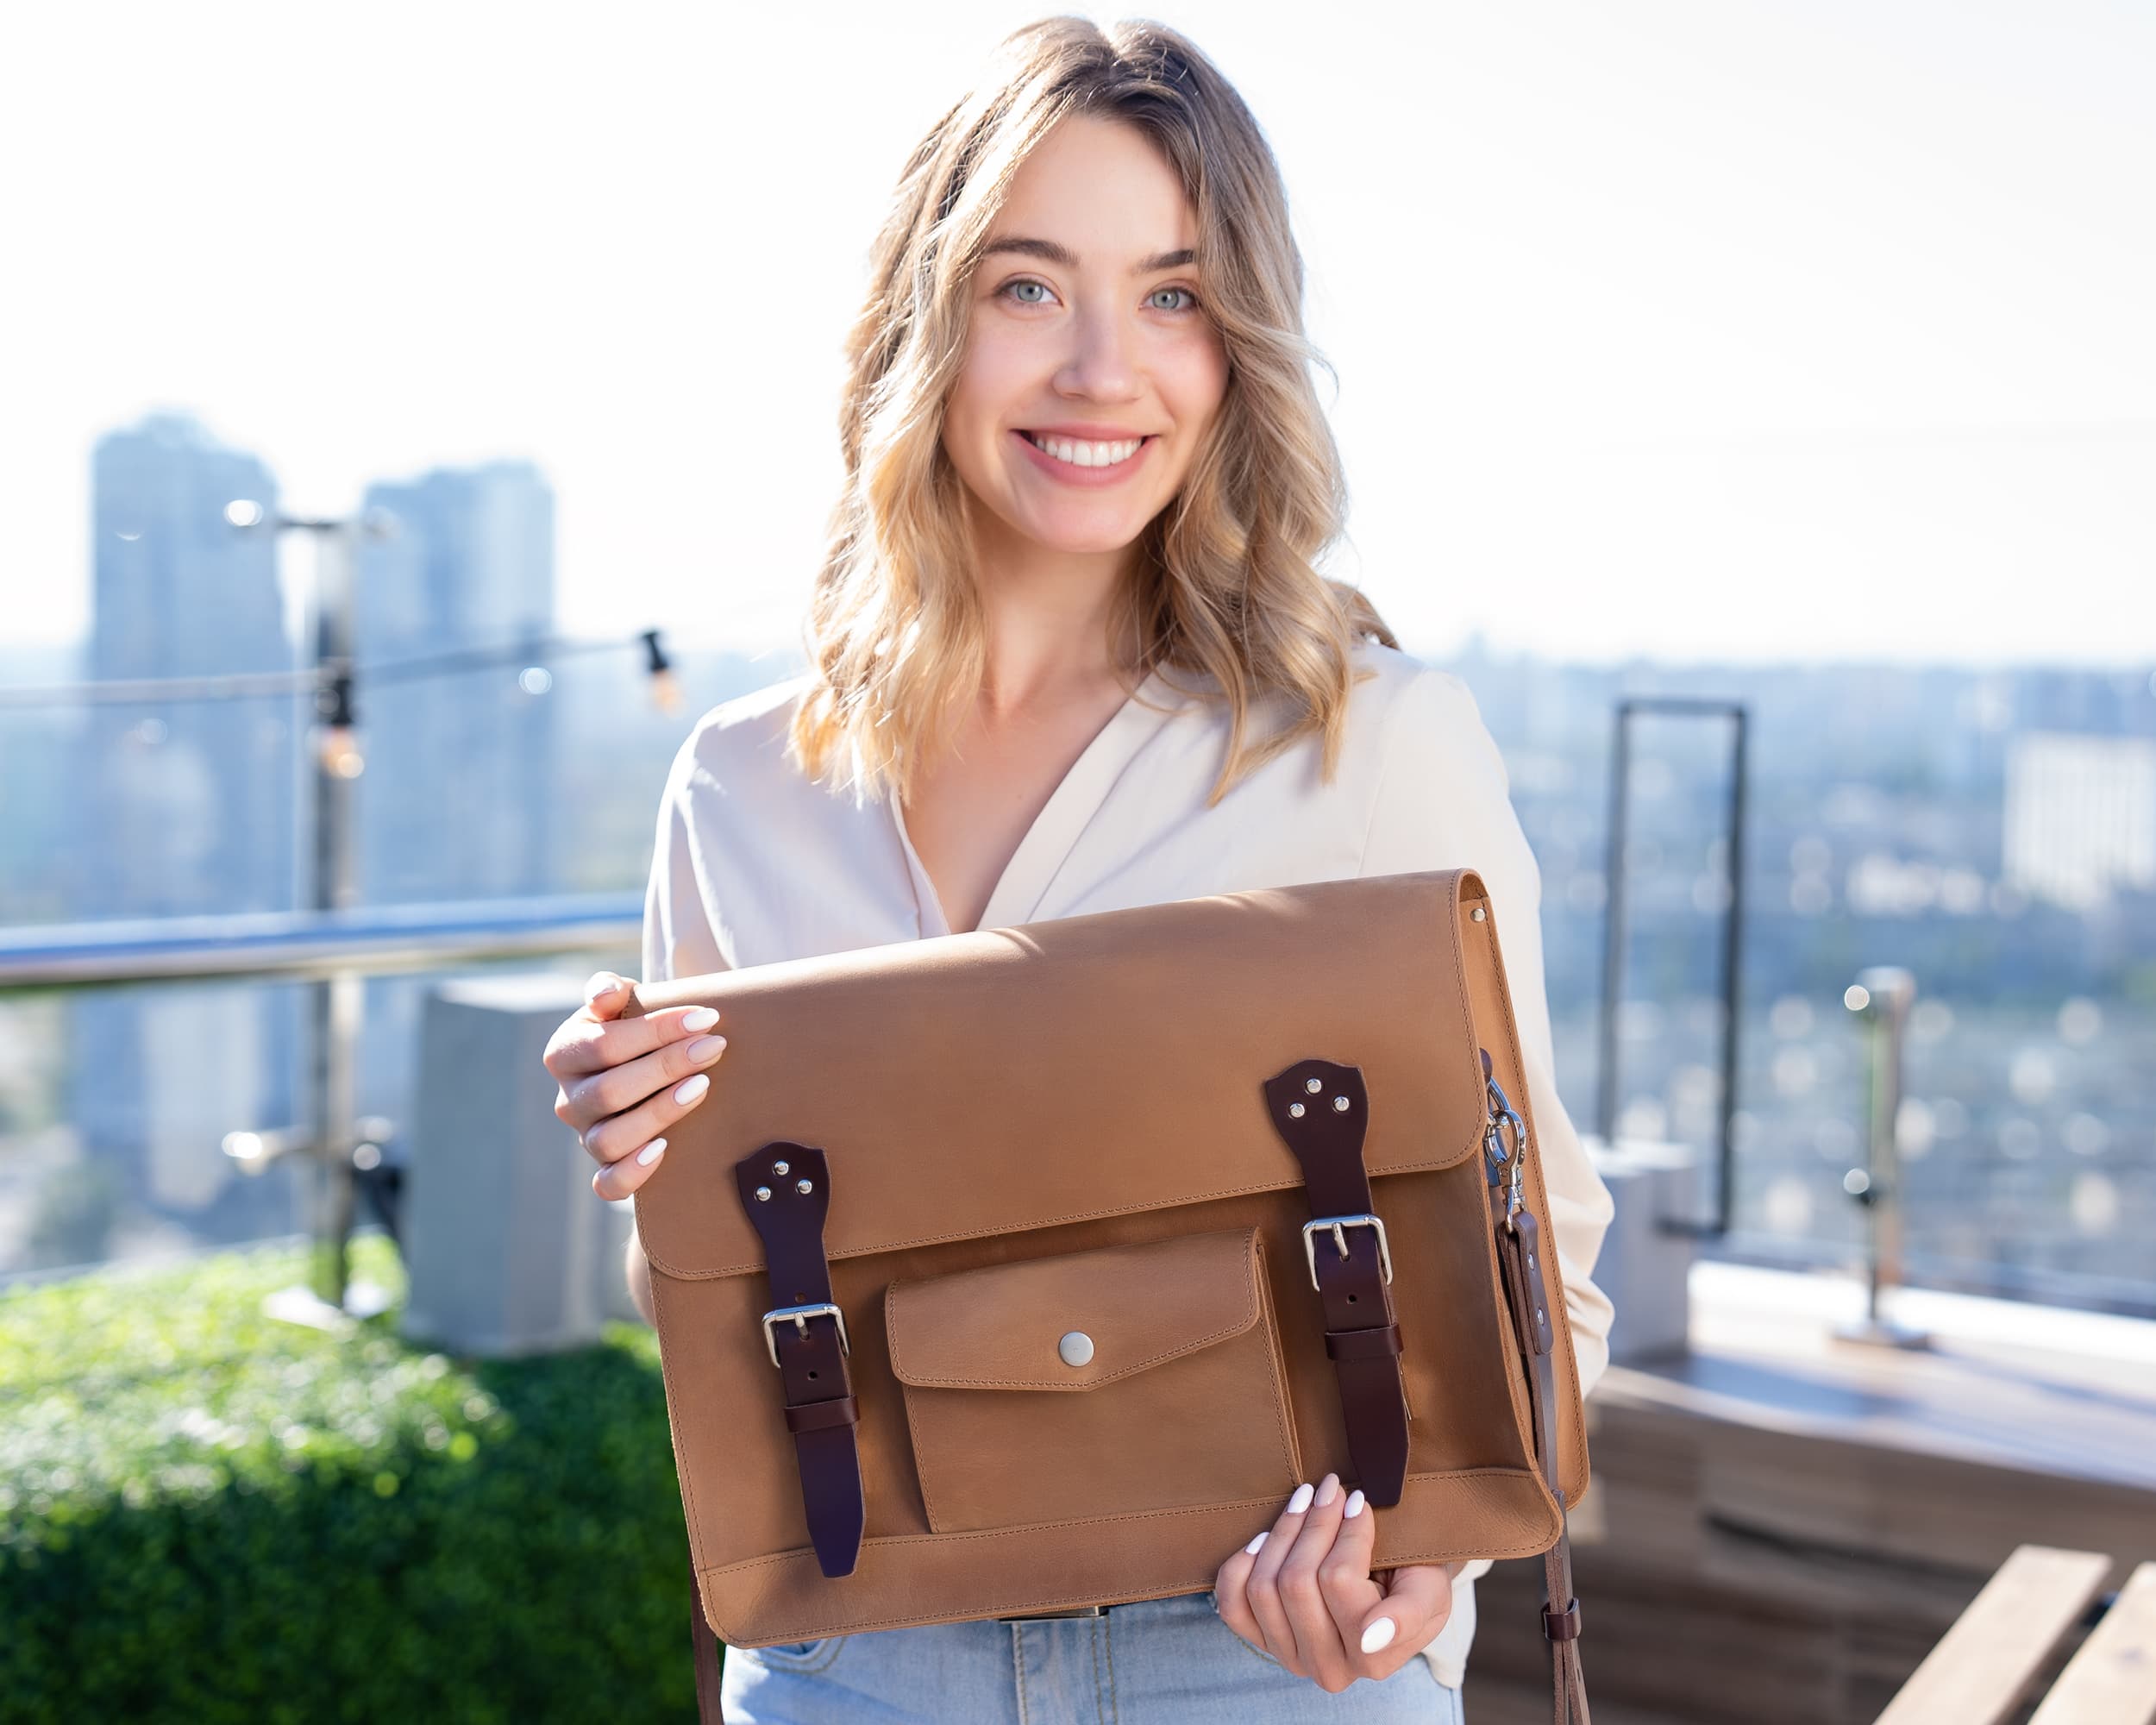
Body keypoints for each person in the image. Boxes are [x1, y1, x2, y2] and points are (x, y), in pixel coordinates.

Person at [543, 16, 1615, 1722]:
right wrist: (639, 1145)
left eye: (1173, 294)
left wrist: (1437, 1566)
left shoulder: (1366, 740)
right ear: (927, 321)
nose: (1104, 369)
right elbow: (725, 1306)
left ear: (1238, 343)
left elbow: (1533, 1228)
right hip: (849, 1657)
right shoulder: (741, 783)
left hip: (1262, 1653)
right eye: (1028, 287)